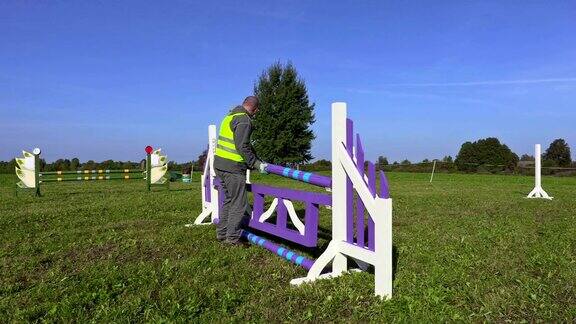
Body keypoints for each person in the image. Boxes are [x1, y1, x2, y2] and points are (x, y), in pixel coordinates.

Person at [213, 96, 268, 246]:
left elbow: (243, 144)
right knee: (239, 203)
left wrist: (256, 158)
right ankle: (232, 238)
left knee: (229, 201)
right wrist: (256, 164)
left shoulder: (229, 116)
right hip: (233, 168)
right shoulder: (244, 120)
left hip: (219, 165)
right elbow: (242, 146)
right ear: (255, 109)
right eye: (256, 111)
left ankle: (222, 234)